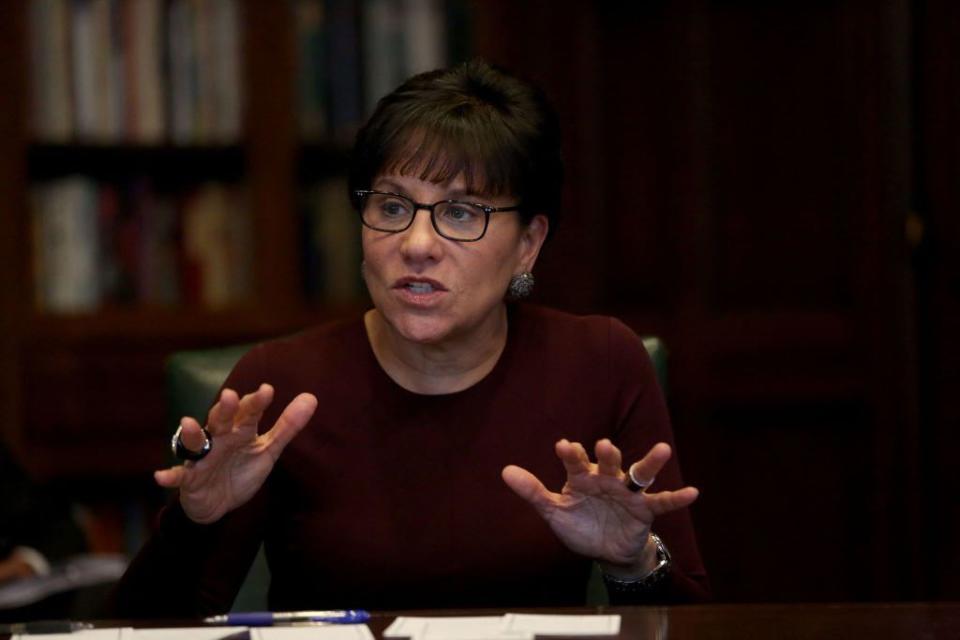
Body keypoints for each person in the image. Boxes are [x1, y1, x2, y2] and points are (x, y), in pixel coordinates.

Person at [113, 59, 709, 616]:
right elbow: (137, 632)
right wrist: (194, 524)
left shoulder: (599, 364)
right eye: (393, 206)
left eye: (460, 213)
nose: (417, 245)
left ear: (528, 243)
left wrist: (632, 563)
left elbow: (692, 624)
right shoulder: (280, 388)